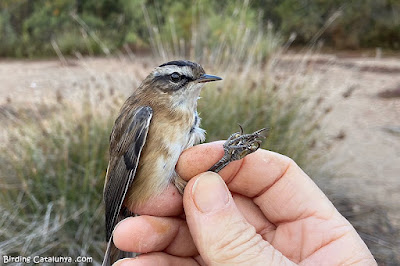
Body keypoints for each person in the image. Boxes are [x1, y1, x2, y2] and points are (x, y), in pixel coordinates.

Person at [111, 141, 376, 265]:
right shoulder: (143, 114)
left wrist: (228, 156)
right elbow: (121, 174)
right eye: (178, 79)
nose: (195, 83)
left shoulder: (190, 118)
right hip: (143, 197)